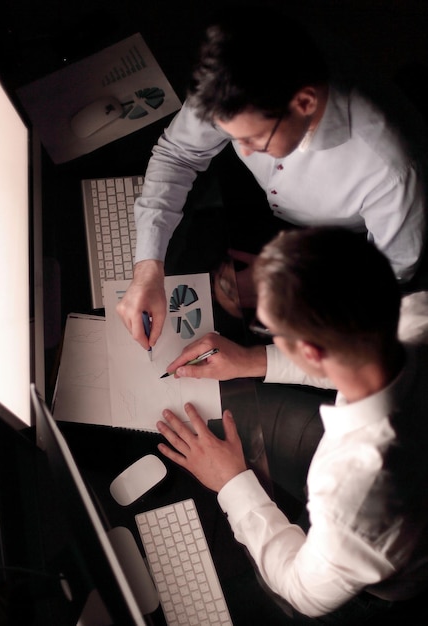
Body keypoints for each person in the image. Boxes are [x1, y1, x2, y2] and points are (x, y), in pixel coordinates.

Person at [155, 227, 428, 622]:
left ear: (311, 351)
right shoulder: (416, 313)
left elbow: (303, 591)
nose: (269, 337)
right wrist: (252, 360)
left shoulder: (353, 488)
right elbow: (360, 355)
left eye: (272, 332)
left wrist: (232, 482)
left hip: (370, 582)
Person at [116, 6, 427, 349]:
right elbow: (178, 153)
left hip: (340, 250)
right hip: (260, 208)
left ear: (304, 103)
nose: (243, 152)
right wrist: (148, 268)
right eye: (233, 136)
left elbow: (384, 279)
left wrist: (287, 283)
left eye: (253, 139)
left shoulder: (390, 171)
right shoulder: (235, 71)